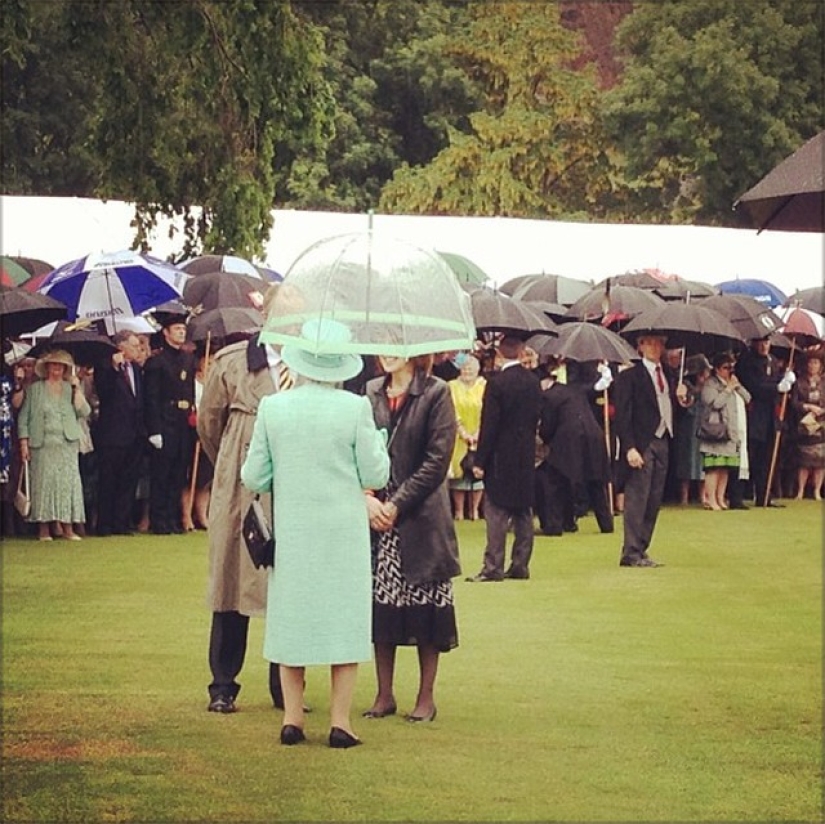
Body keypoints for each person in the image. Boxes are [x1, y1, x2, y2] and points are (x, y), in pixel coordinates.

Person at [241, 319, 390, 748]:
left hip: (296, 530)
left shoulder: (275, 407)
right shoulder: (354, 408)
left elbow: (255, 475)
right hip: (342, 532)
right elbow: (376, 472)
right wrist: (378, 440)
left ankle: (292, 718)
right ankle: (340, 722)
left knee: (293, 618)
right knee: (344, 620)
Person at [197, 326, 293, 714]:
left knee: (286, 586)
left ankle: (285, 686)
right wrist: (234, 464)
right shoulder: (231, 360)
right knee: (232, 582)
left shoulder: (312, 358)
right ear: (266, 316)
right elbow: (210, 426)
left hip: (293, 485)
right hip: (241, 484)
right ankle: (222, 685)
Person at [362, 352, 461, 723]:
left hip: (421, 518)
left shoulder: (436, 392)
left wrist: (397, 503)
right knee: (381, 608)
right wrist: (370, 498)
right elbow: (358, 448)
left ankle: (425, 697)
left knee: (426, 611)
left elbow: (437, 460)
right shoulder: (370, 392)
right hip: (378, 518)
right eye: (384, 345)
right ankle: (384, 694)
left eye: (397, 345)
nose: (388, 354)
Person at [467, 336, 542, 581]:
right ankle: (521, 564)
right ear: (521, 351)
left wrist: (480, 460)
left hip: (501, 455)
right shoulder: (533, 382)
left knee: (497, 512)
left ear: (499, 353)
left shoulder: (496, 384)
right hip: (525, 453)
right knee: (523, 512)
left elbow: (489, 425)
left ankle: (493, 567)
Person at [613, 333, 686, 567]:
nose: (656, 348)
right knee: (638, 498)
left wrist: (684, 399)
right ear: (640, 346)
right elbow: (623, 416)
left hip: (664, 439)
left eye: (660, 343)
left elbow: (676, 408)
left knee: (654, 499)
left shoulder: (670, 375)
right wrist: (629, 447)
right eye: (650, 343)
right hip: (642, 442)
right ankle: (631, 552)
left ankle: (641, 548)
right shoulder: (630, 377)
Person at [17, 350, 91, 541]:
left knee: (68, 485)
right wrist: (24, 443)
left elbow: (84, 411)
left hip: (67, 443)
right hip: (42, 444)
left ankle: (68, 528)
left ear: (65, 369)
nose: (56, 369)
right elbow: (24, 417)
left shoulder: (70, 388)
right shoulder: (35, 389)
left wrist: (77, 389)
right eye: (53, 365)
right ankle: (44, 529)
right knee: (43, 485)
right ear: (47, 367)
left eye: (60, 366)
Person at [536, 372, 614, 535]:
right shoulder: (574, 390)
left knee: (554, 483)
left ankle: (554, 526)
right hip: (593, 437)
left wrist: (543, 438)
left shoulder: (549, 397)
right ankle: (606, 524)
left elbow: (547, 427)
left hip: (568, 442)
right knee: (596, 484)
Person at [143, 312, 197, 534]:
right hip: (165, 421)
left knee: (178, 473)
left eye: (183, 329)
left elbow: (190, 389)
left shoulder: (188, 359)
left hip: (183, 422)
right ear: (165, 333)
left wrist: (193, 411)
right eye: (177, 329)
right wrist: (154, 430)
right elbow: (152, 399)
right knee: (162, 473)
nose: (181, 332)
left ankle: (175, 519)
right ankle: (159, 520)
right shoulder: (157, 362)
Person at [93, 331, 146, 536]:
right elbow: (104, 393)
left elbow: (138, 400)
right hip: (112, 433)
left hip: (134, 433)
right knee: (108, 480)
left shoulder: (135, 368)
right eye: (133, 345)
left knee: (128, 480)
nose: (137, 349)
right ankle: (104, 524)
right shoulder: (105, 366)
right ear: (121, 347)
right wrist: (114, 368)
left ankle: (121, 523)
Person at [737, 336, 787, 507]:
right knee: (751, 455)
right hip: (754, 414)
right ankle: (741, 494)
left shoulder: (772, 360)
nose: (764, 346)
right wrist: (776, 387)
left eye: (767, 342)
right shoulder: (747, 361)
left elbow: (775, 381)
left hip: (770, 416)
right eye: (761, 342)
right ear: (755, 343)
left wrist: (785, 379)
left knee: (767, 458)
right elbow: (754, 385)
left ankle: (764, 495)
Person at [698, 353, 752, 511]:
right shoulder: (710, 385)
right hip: (715, 431)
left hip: (732, 432)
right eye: (726, 368)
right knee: (714, 467)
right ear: (717, 369)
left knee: (726, 467)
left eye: (731, 368)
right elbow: (715, 404)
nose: (729, 371)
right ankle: (711, 499)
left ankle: (721, 498)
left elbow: (748, 398)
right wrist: (728, 389)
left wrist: (737, 386)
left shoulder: (733, 383)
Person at [447, 353, 486, 520]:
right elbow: (451, 409)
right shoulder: (451, 386)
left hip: (480, 432)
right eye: (465, 368)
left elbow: (487, 410)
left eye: (471, 368)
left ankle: (475, 510)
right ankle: (459, 511)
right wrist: (462, 432)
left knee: (478, 470)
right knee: (458, 472)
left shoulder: (484, 385)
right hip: (457, 435)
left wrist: (477, 432)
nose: (468, 371)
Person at [674, 354, 711, 506]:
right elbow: (685, 403)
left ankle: (703, 495)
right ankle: (684, 496)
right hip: (689, 427)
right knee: (687, 461)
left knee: (702, 460)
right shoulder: (685, 385)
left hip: (704, 425)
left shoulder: (708, 386)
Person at [791, 351, 825, 500]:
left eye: (816, 363)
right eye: (810, 362)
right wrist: (807, 407)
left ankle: (817, 490)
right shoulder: (799, 382)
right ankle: (801, 490)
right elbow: (794, 403)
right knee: (804, 459)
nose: (813, 366)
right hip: (805, 423)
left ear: (821, 366)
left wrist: (821, 410)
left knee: (820, 460)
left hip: (821, 423)